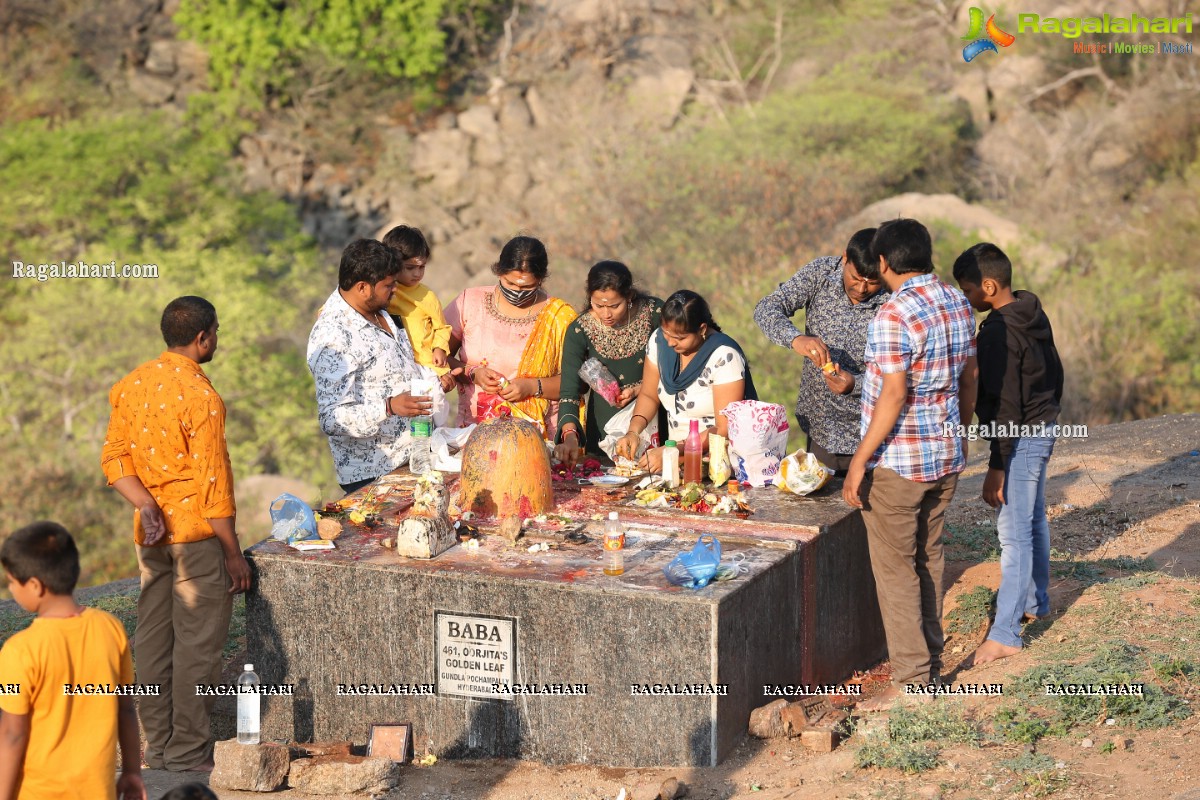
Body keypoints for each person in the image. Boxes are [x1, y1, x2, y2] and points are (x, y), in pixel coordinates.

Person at [101, 296, 252, 772]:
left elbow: (114, 460)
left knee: (153, 640)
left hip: (151, 538)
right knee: (198, 647)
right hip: (197, 537)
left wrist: (146, 504)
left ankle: (159, 748)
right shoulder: (201, 398)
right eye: (216, 333)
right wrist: (233, 554)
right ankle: (187, 752)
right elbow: (214, 485)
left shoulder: (131, 384)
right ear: (204, 337)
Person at [842, 219, 977, 710]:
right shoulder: (957, 301)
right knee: (929, 557)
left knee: (897, 570)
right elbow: (970, 376)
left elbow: (893, 394)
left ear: (882, 263)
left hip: (898, 461)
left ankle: (915, 680)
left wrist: (859, 463)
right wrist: (956, 433)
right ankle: (931, 665)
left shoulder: (893, 315)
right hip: (944, 454)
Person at [953, 242, 1064, 665]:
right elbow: (1055, 371)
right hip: (1043, 424)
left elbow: (1006, 407)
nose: (967, 300)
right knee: (1032, 517)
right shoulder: (1031, 309)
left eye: (967, 292)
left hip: (1019, 436)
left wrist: (996, 467)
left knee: (1013, 533)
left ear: (988, 285)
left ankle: (1005, 633)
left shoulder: (998, 332)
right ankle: (1036, 600)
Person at [0, 523, 145, 800]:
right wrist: (131, 772)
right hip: (97, 791)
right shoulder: (110, 628)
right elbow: (126, 710)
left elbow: (12, 733)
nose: (10, 588)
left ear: (34, 585)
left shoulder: (19, 650)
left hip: (37, 792)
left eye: (11, 581)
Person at [308, 239, 438, 494]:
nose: (396, 291)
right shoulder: (333, 335)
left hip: (414, 455)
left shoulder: (380, 310)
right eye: (389, 286)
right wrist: (389, 407)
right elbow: (331, 419)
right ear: (362, 287)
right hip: (373, 472)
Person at [753, 228, 889, 474]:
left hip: (871, 433)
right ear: (845, 258)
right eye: (856, 278)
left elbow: (902, 377)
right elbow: (766, 308)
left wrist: (856, 384)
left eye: (873, 282)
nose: (862, 288)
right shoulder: (820, 273)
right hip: (821, 427)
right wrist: (796, 339)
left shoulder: (894, 299)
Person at [445, 236, 577, 440]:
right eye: (510, 283)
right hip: (474, 432)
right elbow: (437, 357)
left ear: (541, 279)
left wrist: (532, 387)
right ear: (499, 271)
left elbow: (575, 382)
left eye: (526, 287)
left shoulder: (559, 317)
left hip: (536, 438)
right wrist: (473, 373)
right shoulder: (470, 302)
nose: (517, 291)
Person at [614, 290, 757, 472]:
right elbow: (649, 395)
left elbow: (724, 429)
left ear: (702, 329)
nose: (671, 343)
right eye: (667, 333)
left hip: (717, 463)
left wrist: (672, 450)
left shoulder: (724, 356)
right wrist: (633, 432)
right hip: (674, 458)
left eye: (680, 338)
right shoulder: (659, 342)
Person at [554, 261, 664, 468]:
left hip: (656, 421)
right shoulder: (579, 330)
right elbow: (569, 392)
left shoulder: (655, 314)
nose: (606, 314)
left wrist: (641, 389)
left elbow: (676, 369)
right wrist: (569, 435)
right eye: (598, 305)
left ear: (629, 296)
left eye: (614, 306)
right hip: (604, 430)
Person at [381, 225, 457, 393]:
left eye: (421, 267)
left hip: (426, 367)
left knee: (430, 414)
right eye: (410, 268)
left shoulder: (427, 296)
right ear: (393, 263)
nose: (417, 273)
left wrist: (440, 348)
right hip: (392, 369)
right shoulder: (381, 290)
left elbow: (442, 327)